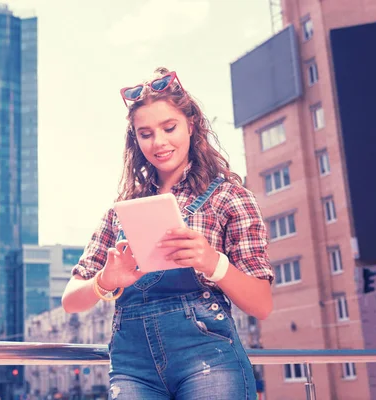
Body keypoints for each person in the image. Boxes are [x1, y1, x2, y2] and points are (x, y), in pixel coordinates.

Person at [62, 67, 274, 399]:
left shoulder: (229, 198)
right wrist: (106, 279)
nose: (159, 142)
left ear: (191, 125)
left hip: (210, 359)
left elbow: (261, 304)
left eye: (169, 127)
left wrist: (212, 262)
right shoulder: (122, 209)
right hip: (132, 367)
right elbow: (71, 301)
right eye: (145, 133)